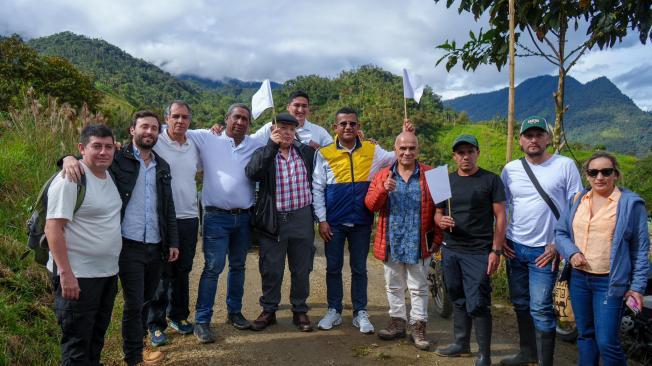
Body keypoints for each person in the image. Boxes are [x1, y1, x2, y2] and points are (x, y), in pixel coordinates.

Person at [62, 111, 179, 366]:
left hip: (156, 243)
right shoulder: (117, 158)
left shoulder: (162, 166)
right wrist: (67, 158)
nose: (149, 132)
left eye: (154, 128)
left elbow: (168, 206)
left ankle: (138, 348)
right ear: (132, 130)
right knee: (134, 303)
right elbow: (91, 161)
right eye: (144, 127)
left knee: (146, 301)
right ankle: (134, 357)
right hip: (128, 243)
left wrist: (172, 241)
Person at [313, 107, 413, 334]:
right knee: (333, 268)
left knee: (359, 268)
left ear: (358, 127)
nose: (348, 127)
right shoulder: (324, 153)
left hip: (361, 221)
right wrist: (322, 220)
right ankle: (334, 310)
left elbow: (399, 155)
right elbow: (317, 188)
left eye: (352, 123)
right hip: (334, 223)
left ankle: (360, 312)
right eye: (343, 124)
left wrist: (405, 133)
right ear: (335, 128)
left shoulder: (372, 149)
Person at [500, 116, 582, 366]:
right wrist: (500, 236)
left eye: (538, 135)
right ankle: (528, 353)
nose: (533, 140)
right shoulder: (510, 169)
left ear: (547, 138)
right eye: (528, 135)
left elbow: (576, 205)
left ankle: (545, 362)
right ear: (520, 140)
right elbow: (503, 206)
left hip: (545, 250)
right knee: (521, 304)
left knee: (541, 308)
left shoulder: (565, 165)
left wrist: (560, 244)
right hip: (514, 246)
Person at [556, 152, 650, 366]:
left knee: (607, 341)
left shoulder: (630, 204)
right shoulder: (578, 200)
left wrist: (636, 287)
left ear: (615, 174)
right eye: (593, 172)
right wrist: (572, 252)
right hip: (579, 279)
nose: (599, 177)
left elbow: (640, 251)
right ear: (587, 176)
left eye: (606, 171)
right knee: (585, 335)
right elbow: (560, 232)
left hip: (609, 282)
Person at [186, 103, 267, 343]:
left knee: (239, 266)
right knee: (213, 267)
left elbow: (283, 137)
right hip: (216, 217)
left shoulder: (255, 143)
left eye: (245, 119)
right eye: (236, 117)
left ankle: (234, 312)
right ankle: (202, 320)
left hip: (244, 217)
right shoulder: (208, 139)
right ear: (226, 118)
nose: (240, 122)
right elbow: (171, 128)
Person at [45, 125, 121, 365]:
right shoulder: (70, 179)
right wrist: (66, 274)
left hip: (106, 274)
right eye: (96, 146)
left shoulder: (110, 175)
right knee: (76, 346)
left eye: (108, 146)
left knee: (95, 339)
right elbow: (52, 228)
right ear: (81, 149)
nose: (103, 152)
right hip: (78, 277)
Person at [364, 131, 442, 350]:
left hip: (419, 241)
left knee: (418, 287)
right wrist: (382, 190)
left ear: (418, 149)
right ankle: (398, 323)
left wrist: (437, 238)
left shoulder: (433, 174)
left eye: (412, 148)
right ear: (395, 149)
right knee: (393, 285)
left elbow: (443, 209)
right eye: (403, 148)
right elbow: (370, 205)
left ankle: (418, 326)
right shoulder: (382, 175)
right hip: (392, 240)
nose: (407, 152)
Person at [433, 135, 506, 366]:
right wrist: (440, 221)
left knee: (478, 301)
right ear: (454, 156)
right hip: (451, 248)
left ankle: (484, 354)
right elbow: (437, 212)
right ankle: (461, 343)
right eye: (460, 152)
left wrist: (496, 250)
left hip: (478, 250)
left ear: (477, 153)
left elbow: (501, 216)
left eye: (469, 151)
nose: (465, 156)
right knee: (456, 294)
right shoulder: (442, 180)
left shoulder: (490, 180)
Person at [244, 113, 316, 332]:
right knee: (271, 268)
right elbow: (253, 173)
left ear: (295, 132)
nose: (286, 133)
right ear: (272, 131)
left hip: (302, 217)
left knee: (301, 268)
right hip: (274, 219)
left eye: (291, 129)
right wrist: (271, 147)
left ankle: (300, 310)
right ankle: (269, 310)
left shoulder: (306, 153)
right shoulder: (263, 153)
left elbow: (322, 176)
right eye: (282, 128)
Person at [147, 100, 202, 345]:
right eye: (176, 116)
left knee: (183, 270)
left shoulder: (194, 145)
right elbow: (123, 150)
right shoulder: (156, 141)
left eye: (185, 117)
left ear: (190, 120)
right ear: (166, 118)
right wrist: (69, 159)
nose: (180, 121)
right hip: (163, 218)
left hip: (189, 217)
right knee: (161, 273)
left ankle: (178, 316)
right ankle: (155, 323)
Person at [251, 90, 333, 148]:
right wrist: (271, 144)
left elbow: (335, 152)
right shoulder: (271, 128)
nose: (300, 110)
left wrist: (319, 150)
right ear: (288, 107)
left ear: (308, 108)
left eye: (304, 106)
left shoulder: (319, 132)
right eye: (296, 105)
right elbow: (250, 143)